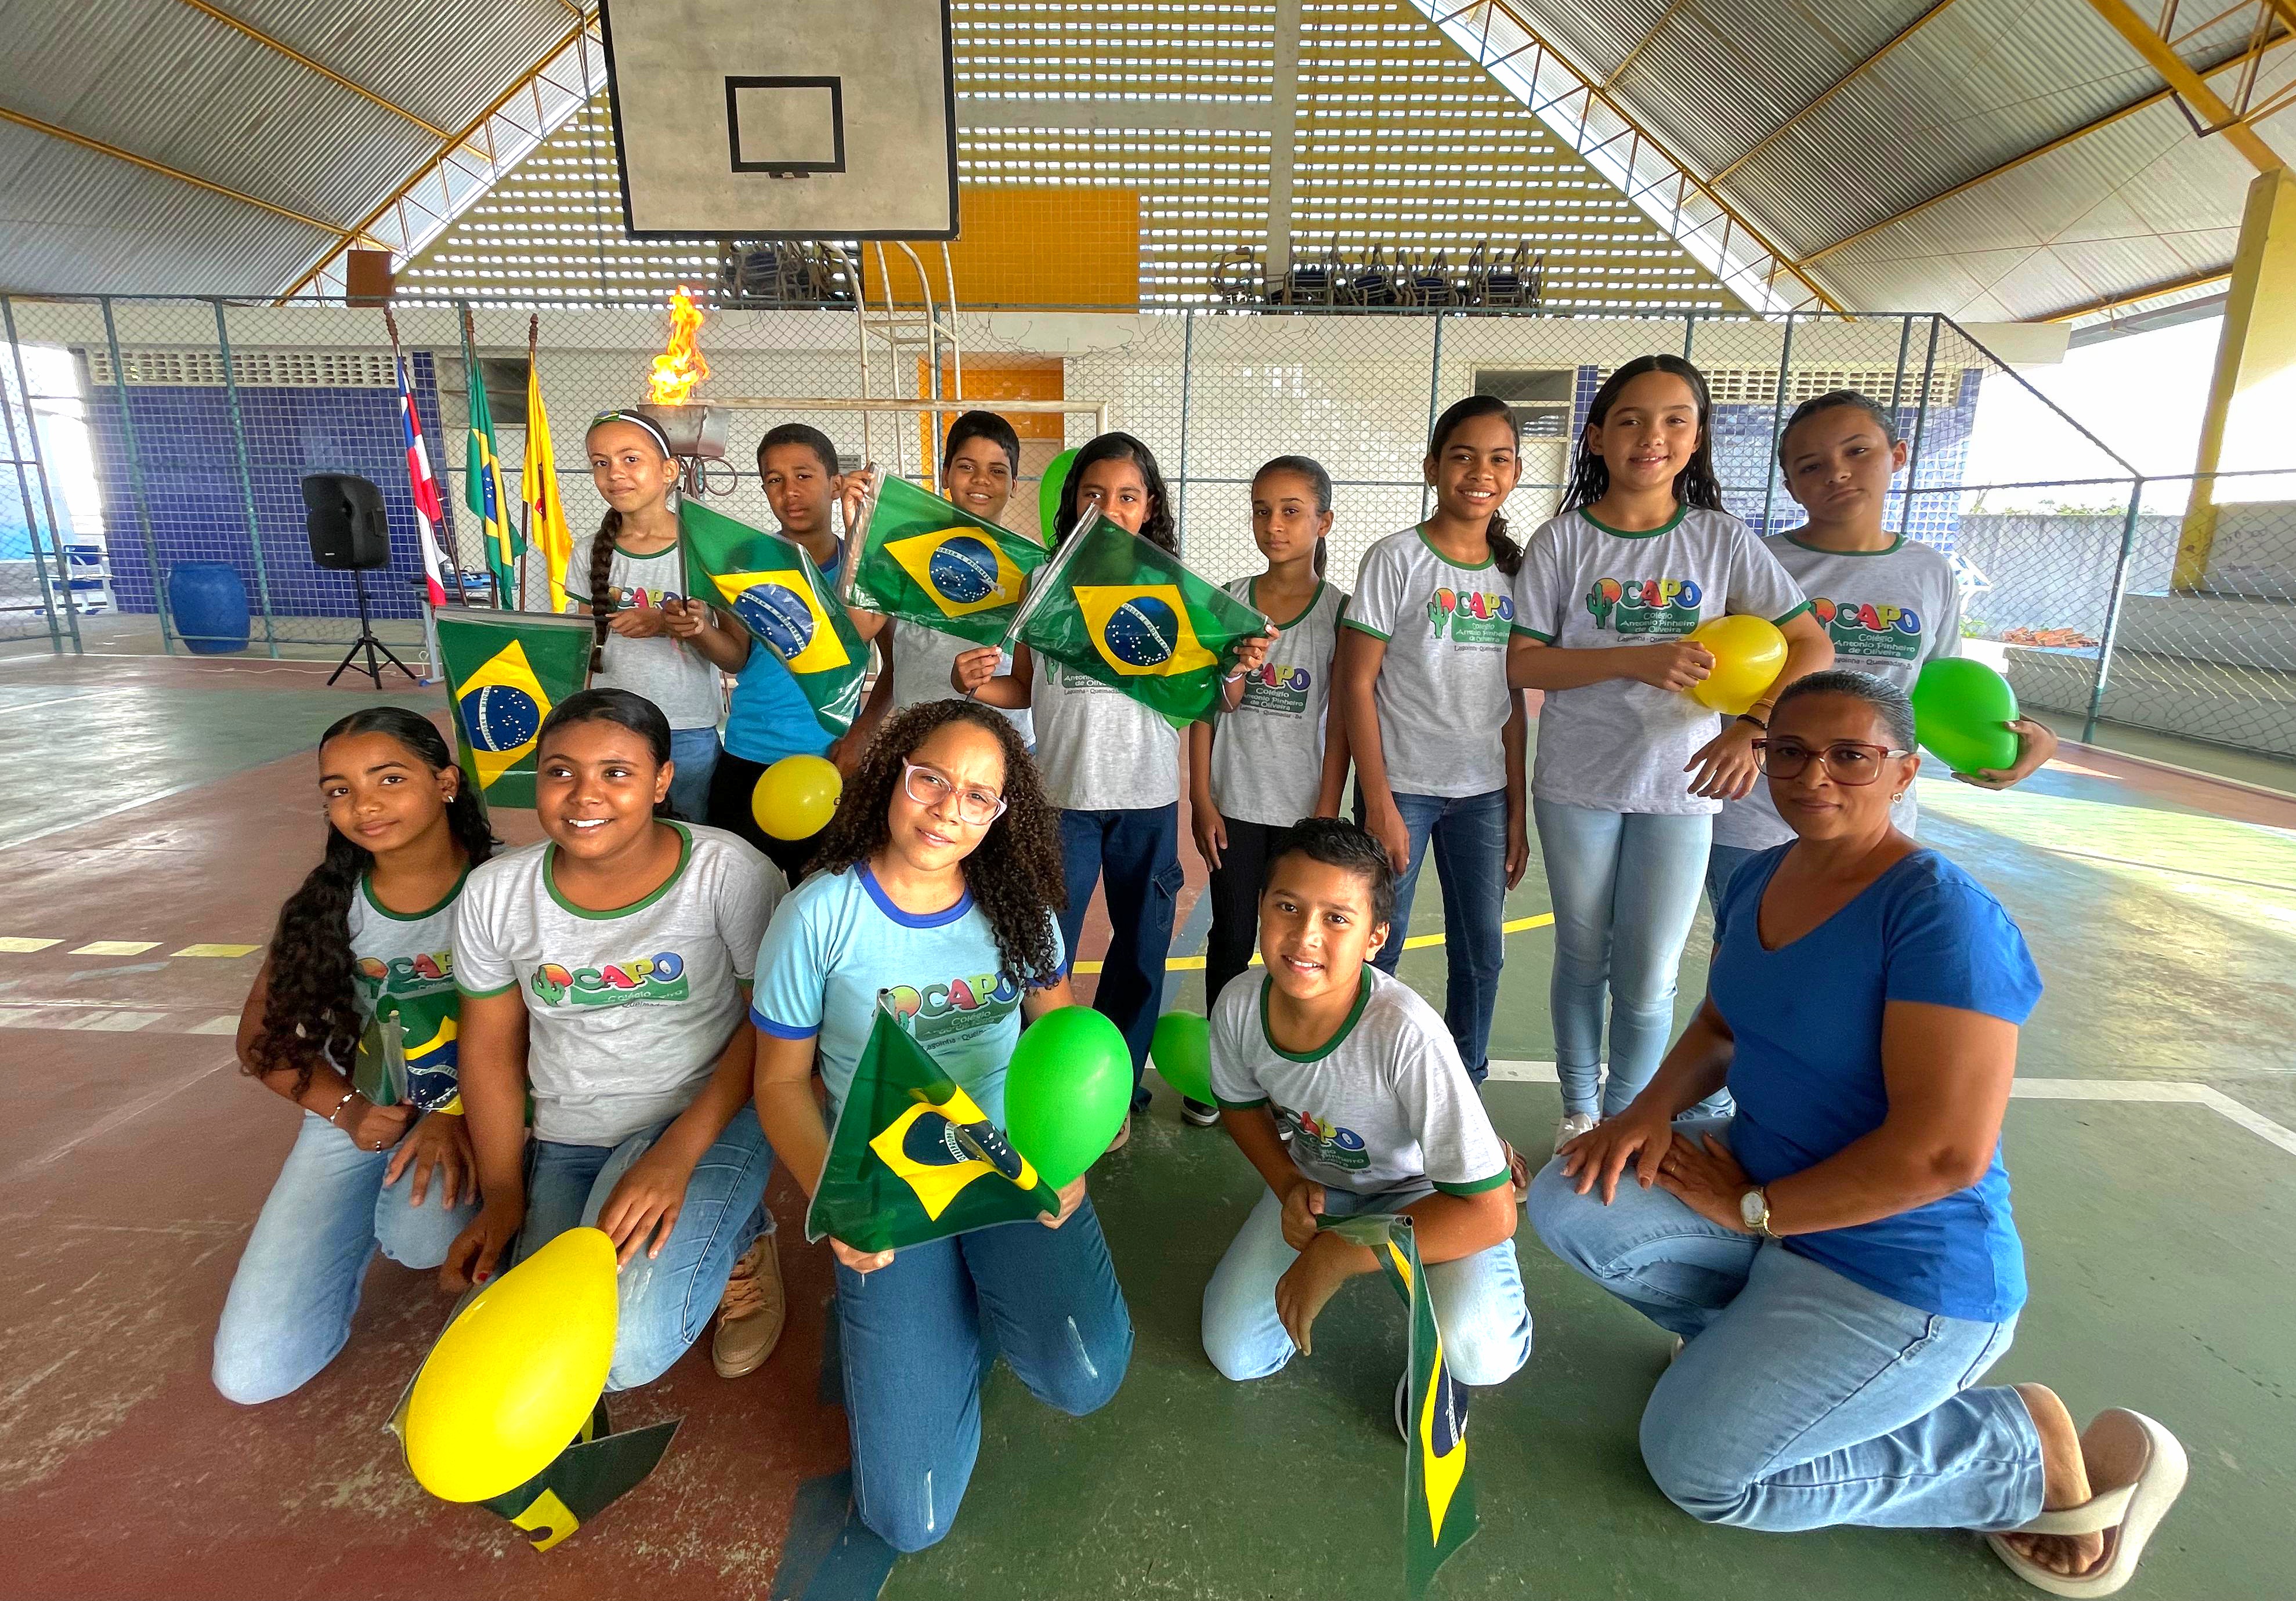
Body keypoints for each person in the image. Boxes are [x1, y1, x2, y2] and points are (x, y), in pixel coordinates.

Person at [1527, 671, 2186, 1595]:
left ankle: (2015, 1452)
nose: (1813, 776)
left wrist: (1757, 1209)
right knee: (1572, 1199)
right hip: (1766, 1195)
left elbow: (1945, 1154)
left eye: (1851, 756)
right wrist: (1643, 1112)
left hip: (1899, 1268)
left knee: (1700, 1473)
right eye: (1790, 752)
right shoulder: (1761, 876)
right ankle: (1741, 1348)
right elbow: (1721, 1025)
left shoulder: (1939, 916)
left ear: (1905, 771)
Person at [751, 699, 1131, 1552]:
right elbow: (777, 1083)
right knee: (908, 1520)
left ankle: (978, 1283)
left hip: (1006, 1159)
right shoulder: (817, 915)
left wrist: (1069, 1156)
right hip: (887, 1181)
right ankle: (943, 1305)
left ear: (1001, 813)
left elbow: (1061, 1040)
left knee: (1085, 1374)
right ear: (892, 774)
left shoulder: (1019, 909)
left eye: (977, 796)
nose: (947, 809)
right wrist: (837, 1198)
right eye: (930, 780)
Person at [1507, 354, 1832, 1150]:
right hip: (1578, 783)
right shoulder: (1562, 541)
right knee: (1582, 954)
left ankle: (1629, 1117)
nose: (1650, 436)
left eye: (1673, 420)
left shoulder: (1721, 541)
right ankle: (1580, 1110)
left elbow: (1810, 644)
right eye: (1629, 419)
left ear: (1696, 439)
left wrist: (1754, 725)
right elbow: (1523, 663)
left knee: (1651, 973)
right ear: (1595, 437)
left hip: (1682, 787)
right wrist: (1633, 658)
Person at [442, 689, 789, 1385]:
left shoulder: (729, 872)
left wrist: (677, 1156)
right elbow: (489, 1050)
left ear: (663, 781)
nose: (584, 795)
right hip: (573, 1132)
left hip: (709, 1115)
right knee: (547, 1344)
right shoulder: (494, 893)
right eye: (560, 772)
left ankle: (742, 1234)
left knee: (620, 1354)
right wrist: (505, 1192)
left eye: (617, 773)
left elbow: (772, 1029)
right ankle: (703, 1222)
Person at [952, 432, 1271, 1139]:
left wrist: (1238, 666)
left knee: (1140, 954)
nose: (1111, 508)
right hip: (1060, 804)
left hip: (1147, 804)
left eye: (1128, 496)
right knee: (1045, 952)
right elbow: (1025, 687)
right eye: (1094, 494)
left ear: (1149, 506)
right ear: (1074, 503)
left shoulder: (1176, 594)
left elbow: (1217, 700)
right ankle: (1039, 1084)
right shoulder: (1046, 582)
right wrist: (972, 682)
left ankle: (1117, 1091)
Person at [1201, 818, 1530, 1418]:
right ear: (1261, 906)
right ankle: (1386, 1225)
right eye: (1287, 907)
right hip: (1323, 1186)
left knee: (1482, 1351)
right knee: (1235, 1353)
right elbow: (1240, 1105)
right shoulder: (1240, 1005)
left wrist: (1339, 1253)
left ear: (1376, 938)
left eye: (1336, 918)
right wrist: (1288, 1184)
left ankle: (1444, 1358)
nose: (1305, 936)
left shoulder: (1406, 1035)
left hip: (1428, 1193)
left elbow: (1493, 1213)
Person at [213, 708, 492, 1404]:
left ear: (446, 783)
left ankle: (464, 1209)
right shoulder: (328, 904)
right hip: (366, 1107)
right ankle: (368, 1210)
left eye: (389, 779)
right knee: (252, 1374)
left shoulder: (508, 886)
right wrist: (348, 1111)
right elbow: (261, 1039)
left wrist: (456, 1114)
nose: (363, 805)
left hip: (486, 1110)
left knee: (422, 1236)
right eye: (339, 790)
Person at [1706, 389, 2058, 910]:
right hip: (1759, 813)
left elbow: (1937, 687)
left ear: (1897, 455)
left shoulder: (1930, 571)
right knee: (1749, 944)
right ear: (1790, 486)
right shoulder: (1755, 563)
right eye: (1811, 465)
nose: (1837, 473)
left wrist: (2017, 736)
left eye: (1857, 451)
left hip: (1877, 817)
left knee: (1860, 949)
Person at [1335, 396, 1531, 1093]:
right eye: (1463, 456)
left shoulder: (1517, 574)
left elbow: (1513, 701)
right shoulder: (1395, 559)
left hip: (1484, 796)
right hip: (1405, 790)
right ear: (1433, 468)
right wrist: (1380, 802)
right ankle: (1364, 1084)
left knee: (1482, 953)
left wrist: (1516, 810)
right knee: (1377, 947)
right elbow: (1356, 684)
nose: (1481, 472)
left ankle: (1466, 1084)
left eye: (1499, 459)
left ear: (1515, 474)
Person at [1187, 454, 1351, 1127]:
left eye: (1290, 511)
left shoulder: (1340, 612)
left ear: (1323, 522)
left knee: (1296, 950)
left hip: (1302, 815)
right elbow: (1208, 704)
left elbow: (1340, 724)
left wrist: (1325, 812)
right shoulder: (1227, 601)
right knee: (1230, 936)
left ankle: (1288, 1079)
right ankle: (1221, 1073)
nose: (1274, 524)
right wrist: (1201, 799)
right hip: (1234, 807)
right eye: (1262, 510)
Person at [678, 423, 868, 879]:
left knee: (822, 892)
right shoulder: (747, 559)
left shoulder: (862, 568)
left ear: (834, 484)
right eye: (774, 480)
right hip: (748, 752)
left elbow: (891, 665)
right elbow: (737, 657)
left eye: (803, 475)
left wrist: (858, 740)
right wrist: (699, 630)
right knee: (739, 890)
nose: (789, 492)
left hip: (829, 759)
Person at [569, 410, 728, 824]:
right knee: (619, 829)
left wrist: (669, 624)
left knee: (687, 831)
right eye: (601, 463)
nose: (615, 473)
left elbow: (733, 656)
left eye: (631, 459)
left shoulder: (707, 549)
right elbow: (580, 651)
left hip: (687, 727)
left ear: (669, 471)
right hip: (609, 726)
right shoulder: (587, 552)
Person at [843, 410, 1035, 754]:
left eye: (997, 471)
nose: (981, 480)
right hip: (918, 731)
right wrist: (859, 536)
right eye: (967, 467)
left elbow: (1032, 676)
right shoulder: (908, 545)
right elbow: (861, 629)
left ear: (1014, 484)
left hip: (1004, 741)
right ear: (945, 475)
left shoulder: (1032, 566)